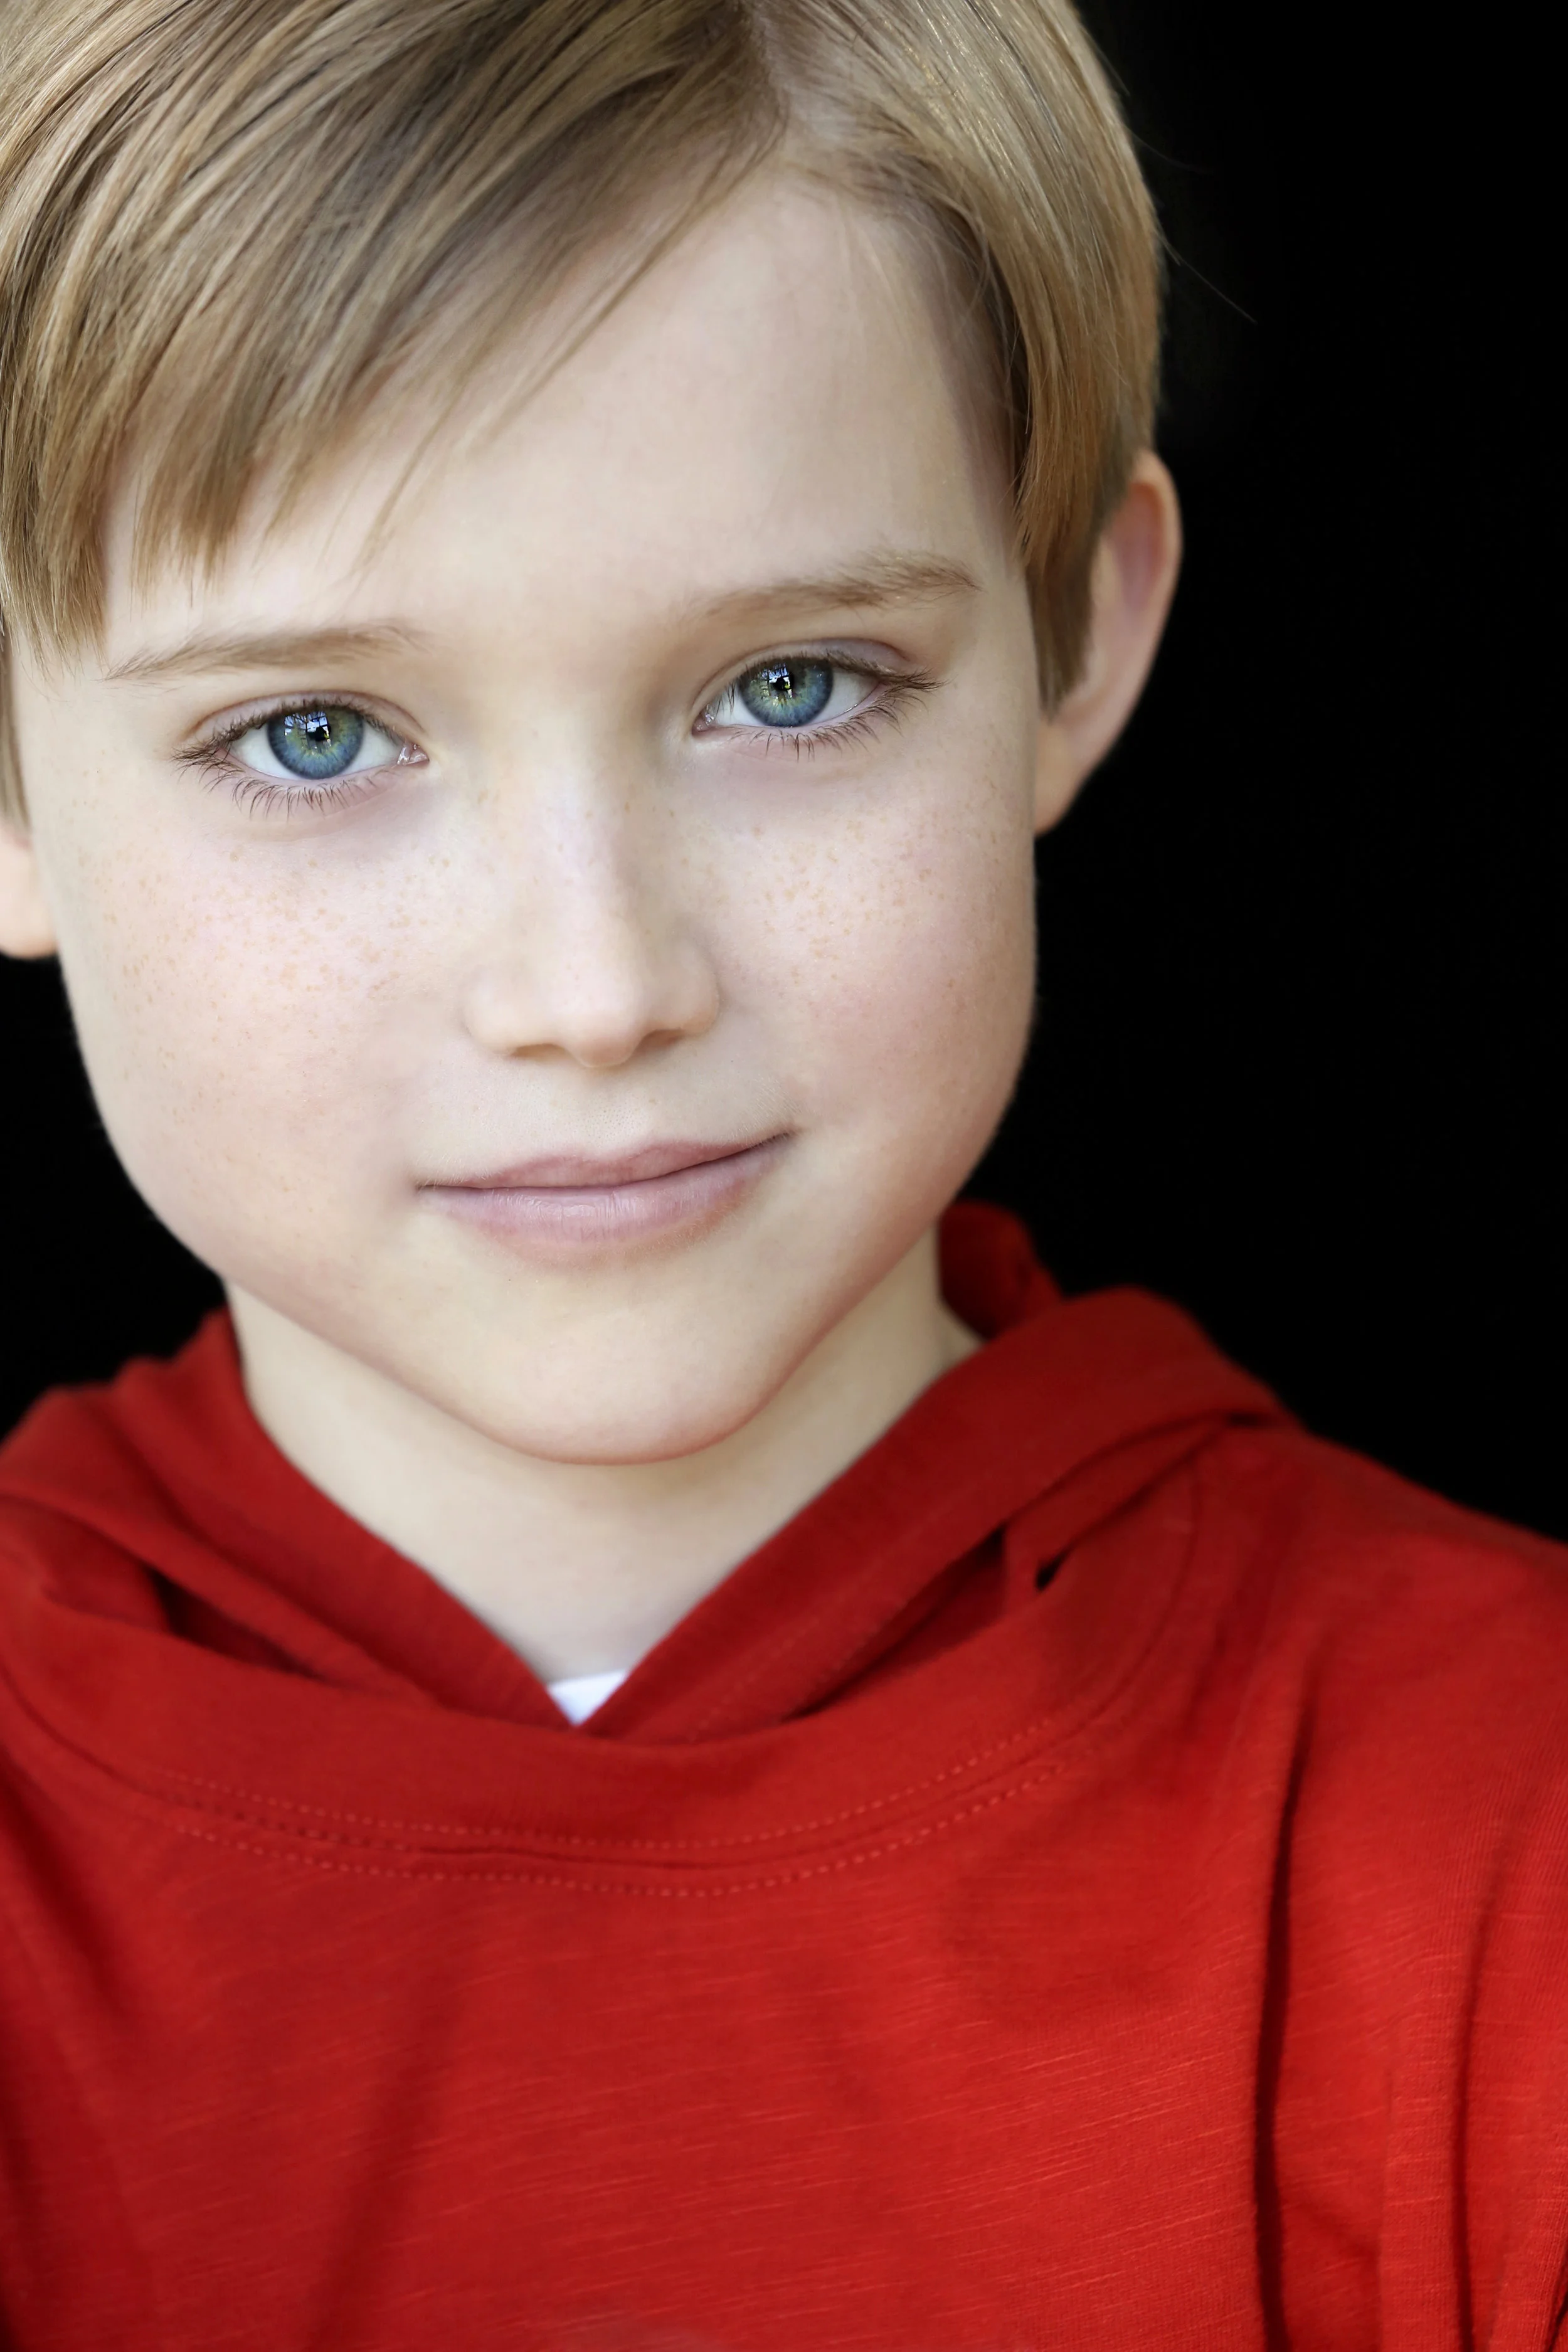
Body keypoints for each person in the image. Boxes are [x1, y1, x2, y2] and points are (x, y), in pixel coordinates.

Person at [0, 0, 1563, 2344]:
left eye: (792, 687)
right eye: (312, 734)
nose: (595, 984)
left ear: (1072, 637)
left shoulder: (1502, 1816)